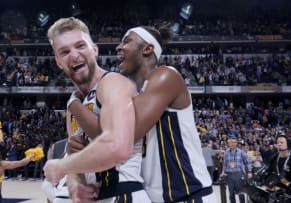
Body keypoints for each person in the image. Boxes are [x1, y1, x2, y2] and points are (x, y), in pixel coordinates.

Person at [67, 25, 216, 202]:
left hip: (189, 196)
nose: (118, 47)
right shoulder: (132, 94)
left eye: (127, 41)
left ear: (147, 49)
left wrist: (73, 103)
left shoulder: (165, 76)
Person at [43, 17, 151, 203]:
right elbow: (75, 160)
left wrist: (61, 165)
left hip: (125, 193)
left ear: (95, 50)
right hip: (99, 196)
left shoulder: (113, 83)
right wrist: (76, 183)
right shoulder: (74, 103)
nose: (74, 55)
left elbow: (117, 146)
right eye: (65, 51)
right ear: (58, 61)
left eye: (80, 46)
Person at [221, 136, 253, 203]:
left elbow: (248, 162)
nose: (233, 144)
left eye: (234, 142)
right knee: (231, 194)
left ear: (236, 143)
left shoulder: (241, 152)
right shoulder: (226, 152)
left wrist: (249, 171)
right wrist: (223, 172)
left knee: (240, 193)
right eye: (231, 142)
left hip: (239, 175)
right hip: (229, 176)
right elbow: (224, 163)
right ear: (229, 143)